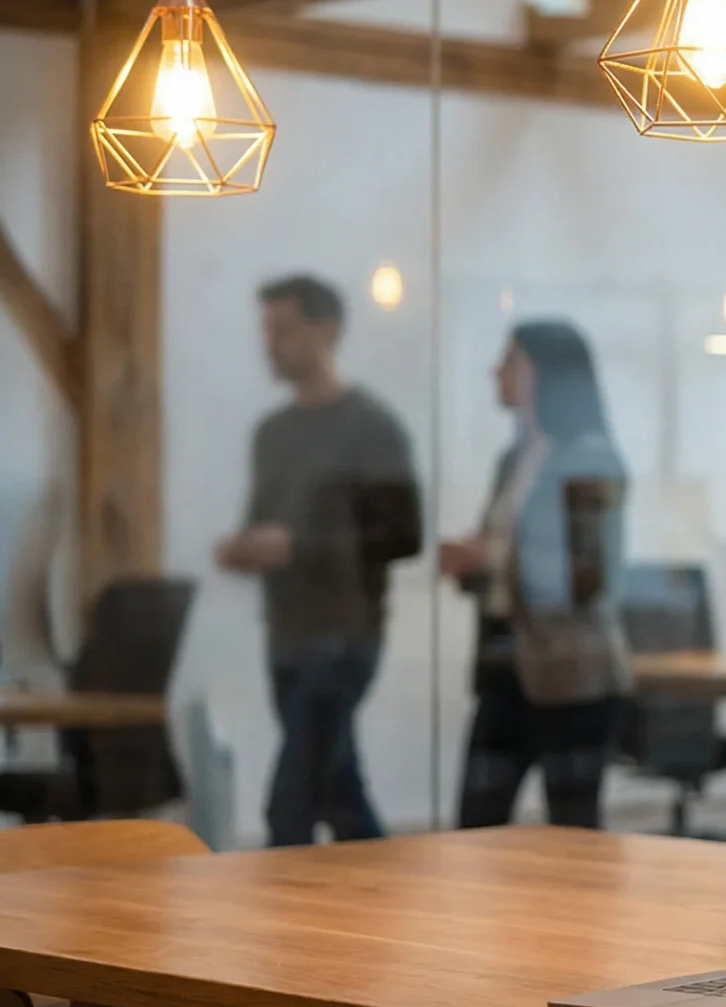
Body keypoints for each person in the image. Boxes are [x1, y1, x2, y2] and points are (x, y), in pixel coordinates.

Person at [215, 275, 422, 847]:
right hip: (286, 635)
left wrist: (299, 546)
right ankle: (388, 892)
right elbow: (265, 523)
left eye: (282, 330)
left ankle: (284, 907)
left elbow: (401, 535)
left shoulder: (373, 428)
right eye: (267, 331)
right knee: (338, 791)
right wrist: (244, 549)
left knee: (291, 803)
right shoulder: (272, 434)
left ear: (326, 332)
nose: (270, 344)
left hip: (344, 636)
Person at [440, 321, 633, 830]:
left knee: (573, 829)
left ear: (548, 374)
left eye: (511, 361)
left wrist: (492, 556)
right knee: (477, 822)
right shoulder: (512, 461)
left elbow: (588, 576)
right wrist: (469, 562)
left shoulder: (592, 458)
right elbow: (505, 567)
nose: (496, 372)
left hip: (573, 674)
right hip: (506, 664)